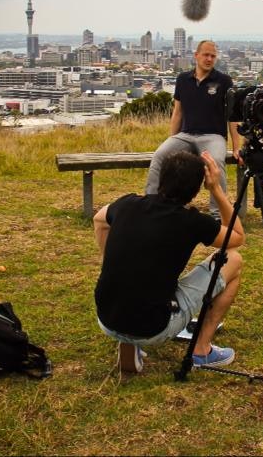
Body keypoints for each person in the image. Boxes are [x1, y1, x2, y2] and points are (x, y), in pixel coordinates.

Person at [94, 150, 245, 373]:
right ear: (195, 192)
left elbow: (99, 219)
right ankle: (202, 350)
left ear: (161, 178)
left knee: (136, 279)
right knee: (234, 260)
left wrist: (114, 262)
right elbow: (237, 238)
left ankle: (128, 343)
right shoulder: (191, 221)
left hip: (107, 318)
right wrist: (216, 189)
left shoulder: (128, 203)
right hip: (153, 328)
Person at [145, 40, 242, 219]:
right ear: (196, 55)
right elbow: (177, 113)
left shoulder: (224, 81)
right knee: (160, 155)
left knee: (216, 162)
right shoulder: (183, 79)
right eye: (205, 55)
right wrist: (172, 139)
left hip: (213, 137)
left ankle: (218, 214)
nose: (209, 59)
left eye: (213, 56)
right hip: (185, 135)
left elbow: (233, 117)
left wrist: (236, 147)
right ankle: (151, 204)